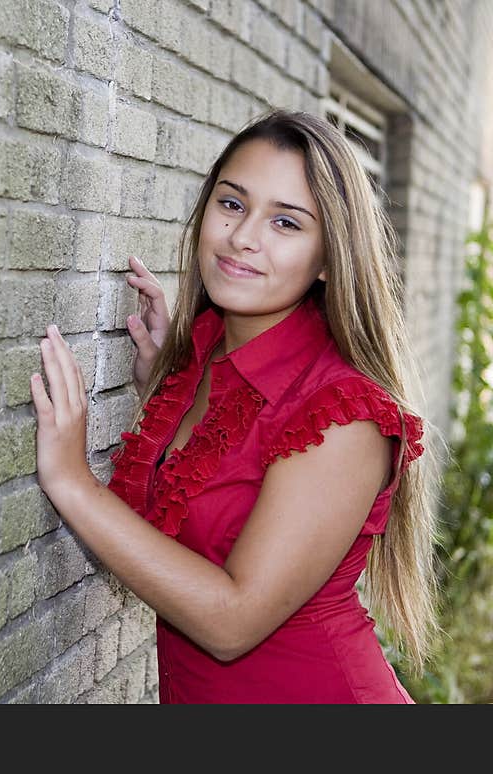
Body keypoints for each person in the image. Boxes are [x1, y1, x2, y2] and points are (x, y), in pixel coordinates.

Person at [29, 108, 446, 704]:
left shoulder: (344, 414)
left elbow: (232, 622)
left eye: (285, 222)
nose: (244, 236)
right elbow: (216, 485)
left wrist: (72, 481)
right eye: (232, 204)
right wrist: (166, 393)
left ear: (330, 258)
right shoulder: (204, 357)